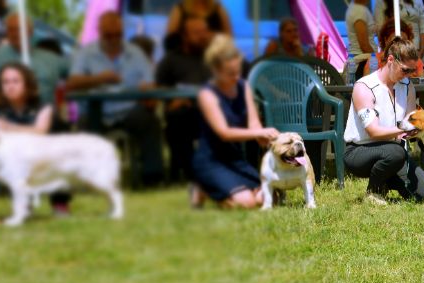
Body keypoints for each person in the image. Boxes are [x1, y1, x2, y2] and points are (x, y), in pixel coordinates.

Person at [66, 11, 163, 187]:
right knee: (85, 127)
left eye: (117, 34)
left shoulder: (135, 53)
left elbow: (150, 83)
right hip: (95, 112)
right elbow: (72, 83)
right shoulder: (86, 53)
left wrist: (148, 90)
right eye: (108, 35)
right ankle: (90, 180)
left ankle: (152, 177)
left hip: (128, 111)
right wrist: (99, 79)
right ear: (99, 32)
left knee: (149, 121)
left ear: (123, 32)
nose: (113, 39)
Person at [191, 34, 279, 209]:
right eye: (230, 73)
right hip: (211, 161)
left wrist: (262, 135)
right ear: (216, 70)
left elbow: (254, 124)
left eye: (238, 71)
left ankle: (224, 191)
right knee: (246, 202)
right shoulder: (207, 94)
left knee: (269, 197)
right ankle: (203, 187)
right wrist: (256, 133)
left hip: (235, 159)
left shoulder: (243, 86)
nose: (236, 77)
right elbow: (224, 133)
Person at [343, 36, 424, 205]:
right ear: (390, 60)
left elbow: (410, 123)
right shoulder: (364, 86)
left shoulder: (408, 87)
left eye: (412, 71)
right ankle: (373, 192)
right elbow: (373, 131)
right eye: (405, 70)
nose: (408, 75)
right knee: (396, 152)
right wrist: (403, 131)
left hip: (394, 152)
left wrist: (419, 130)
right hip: (359, 151)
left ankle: (385, 180)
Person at [0, 62, 72, 215]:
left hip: (51, 153)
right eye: (5, 82)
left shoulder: (44, 106)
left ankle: (60, 204)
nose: (10, 86)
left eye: (16, 81)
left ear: (27, 84)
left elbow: (40, 131)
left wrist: (9, 128)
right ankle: (23, 204)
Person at [157, 16, 214, 183]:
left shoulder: (215, 57)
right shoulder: (170, 61)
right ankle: (187, 174)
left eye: (205, 32)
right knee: (177, 119)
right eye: (197, 33)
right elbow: (160, 88)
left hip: (215, 110)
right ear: (184, 36)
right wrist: (175, 99)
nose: (203, 36)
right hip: (185, 111)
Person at [0, 13, 68, 106]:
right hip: (11, 118)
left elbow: (75, 72)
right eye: (10, 30)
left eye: (19, 29)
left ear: (30, 31)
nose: (15, 33)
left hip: (47, 116)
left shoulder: (49, 58)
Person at [346, 0, 378, 79]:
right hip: (361, 62)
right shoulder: (359, 11)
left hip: (363, 60)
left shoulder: (360, 9)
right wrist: (377, 59)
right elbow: (364, 45)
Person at [166, 0, 231, 36]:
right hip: (185, 57)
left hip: (214, 56)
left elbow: (228, 37)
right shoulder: (179, 10)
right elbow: (170, 39)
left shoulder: (218, 10)